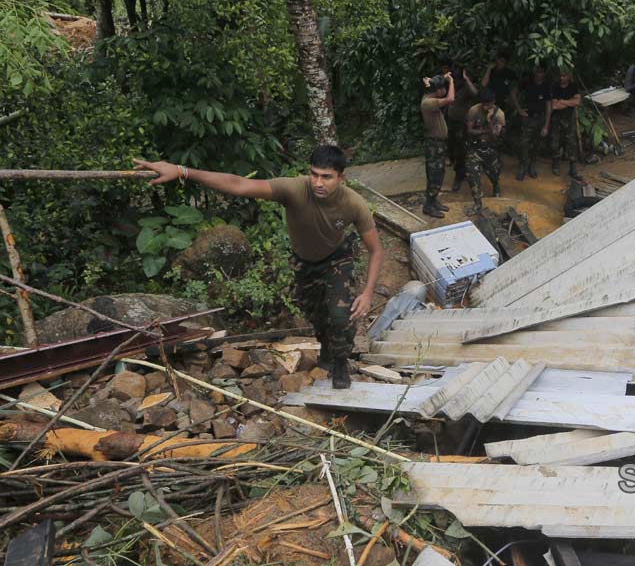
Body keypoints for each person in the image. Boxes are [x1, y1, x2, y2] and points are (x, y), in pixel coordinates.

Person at [132, 147, 384, 390]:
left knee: (339, 316)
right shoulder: (294, 189)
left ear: (341, 177)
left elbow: (376, 249)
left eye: (326, 177)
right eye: (314, 174)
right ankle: (327, 351)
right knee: (317, 315)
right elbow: (239, 185)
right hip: (304, 263)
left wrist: (368, 292)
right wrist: (182, 171)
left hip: (336, 260)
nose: (318, 182)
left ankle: (340, 361)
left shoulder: (354, 204)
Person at [419, 72, 455, 217]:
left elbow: (428, 83)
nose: (445, 90)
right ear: (438, 90)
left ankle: (433, 201)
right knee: (435, 175)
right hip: (434, 145)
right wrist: (451, 81)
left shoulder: (429, 95)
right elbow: (451, 98)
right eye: (443, 88)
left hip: (438, 143)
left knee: (439, 173)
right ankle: (428, 206)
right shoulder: (429, 103)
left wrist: (439, 78)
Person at [465, 88, 506, 213]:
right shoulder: (474, 110)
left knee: (493, 174)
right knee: (472, 174)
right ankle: (477, 203)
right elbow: (469, 130)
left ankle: (496, 185)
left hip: (491, 149)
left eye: (488, 104)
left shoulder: (499, 115)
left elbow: (495, 136)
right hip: (476, 148)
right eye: (484, 104)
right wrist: (484, 131)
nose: (486, 107)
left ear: (493, 102)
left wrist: (489, 121)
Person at [511, 65, 552, 180]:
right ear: (534, 72)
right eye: (537, 71)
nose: (539, 74)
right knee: (524, 144)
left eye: (541, 72)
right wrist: (519, 109)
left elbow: (549, 107)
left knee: (537, 145)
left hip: (540, 119)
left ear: (544, 73)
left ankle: (532, 166)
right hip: (528, 118)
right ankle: (522, 166)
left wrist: (546, 126)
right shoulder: (527, 83)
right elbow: (513, 93)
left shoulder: (546, 86)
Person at [445, 61, 479, 192]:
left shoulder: (465, 87)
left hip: (461, 123)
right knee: (451, 145)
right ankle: (457, 167)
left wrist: (466, 78)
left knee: (461, 150)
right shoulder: (451, 84)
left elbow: (475, 93)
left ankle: (459, 175)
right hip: (450, 120)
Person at [550, 69, 582, 179]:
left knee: (571, 142)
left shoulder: (573, 86)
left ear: (568, 76)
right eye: (560, 76)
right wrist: (570, 102)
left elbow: (577, 102)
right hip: (557, 118)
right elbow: (554, 106)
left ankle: (572, 168)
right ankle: (556, 164)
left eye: (564, 76)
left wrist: (562, 101)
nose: (561, 78)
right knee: (555, 142)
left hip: (569, 118)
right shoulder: (555, 86)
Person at [481, 49, 518, 115]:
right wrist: (489, 69)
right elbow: (483, 84)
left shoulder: (510, 73)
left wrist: (510, 98)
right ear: (497, 60)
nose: (501, 63)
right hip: (490, 99)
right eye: (500, 61)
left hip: (502, 100)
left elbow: (514, 87)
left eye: (504, 62)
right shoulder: (492, 71)